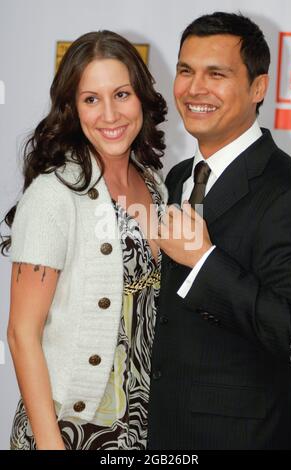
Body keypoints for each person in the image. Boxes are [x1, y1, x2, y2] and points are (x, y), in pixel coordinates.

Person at [1, 30, 167, 450]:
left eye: (122, 94)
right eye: (91, 99)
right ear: (73, 109)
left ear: (142, 98)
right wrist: (49, 442)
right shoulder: (54, 194)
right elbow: (22, 334)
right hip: (72, 427)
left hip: (143, 425)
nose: (109, 114)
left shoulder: (155, 186)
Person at [147, 11, 291, 450]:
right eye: (185, 71)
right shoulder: (177, 177)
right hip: (161, 431)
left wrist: (203, 261)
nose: (195, 89)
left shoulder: (287, 190)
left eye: (216, 74)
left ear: (258, 88)